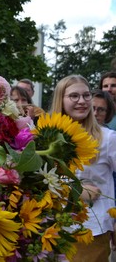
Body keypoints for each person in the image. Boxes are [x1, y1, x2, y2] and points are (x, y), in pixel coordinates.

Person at [50, 75, 116, 261]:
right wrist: (75, 189)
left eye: (86, 95)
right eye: (74, 96)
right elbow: (43, 178)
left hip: (93, 230)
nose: (82, 101)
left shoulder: (107, 138)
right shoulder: (46, 137)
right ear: (60, 101)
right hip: (53, 228)